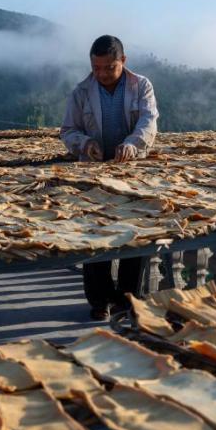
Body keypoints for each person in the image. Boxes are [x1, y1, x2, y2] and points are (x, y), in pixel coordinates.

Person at [60, 35, 159, 321]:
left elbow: (148, 121)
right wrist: (84, 143)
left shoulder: (141, 86)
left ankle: (125, 299)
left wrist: (132, 144)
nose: (102, 74)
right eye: (96, 68)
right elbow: (68, 131)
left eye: (109, 68)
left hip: (131, 172)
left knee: (133, 235)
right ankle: (99, 300)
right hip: (93, 174)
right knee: (95, 235)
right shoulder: (81, 92)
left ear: (123, 62)